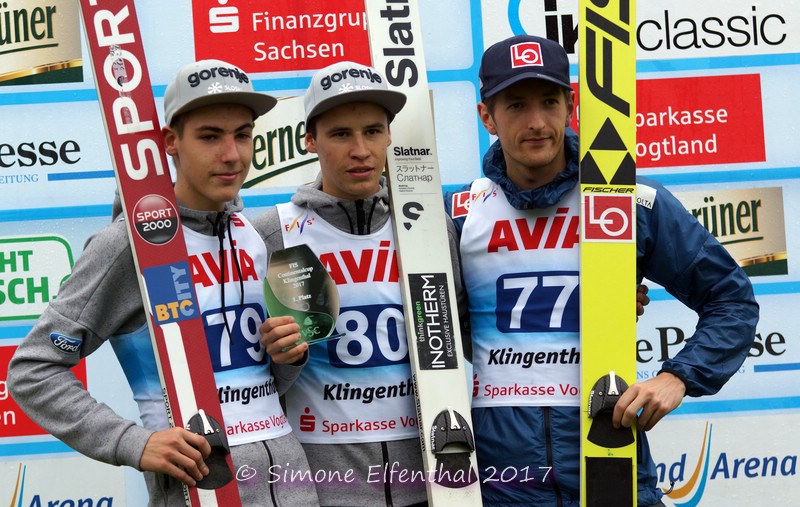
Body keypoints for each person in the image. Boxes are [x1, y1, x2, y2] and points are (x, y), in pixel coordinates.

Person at [444, 35, 759, 507]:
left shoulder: (627, 200)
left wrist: (678, 377)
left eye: (549, 102)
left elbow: (731, 300)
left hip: (609, 459)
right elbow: (443, 329)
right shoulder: (462, 215)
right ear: (486, 115)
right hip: (502, 478)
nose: (536, 122)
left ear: (571, 106)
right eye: (515, 105)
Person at [8, 59, 319, 506]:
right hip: (200, 488)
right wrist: (134, 442)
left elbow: (264, 382)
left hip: (291, 483)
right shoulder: (129, 246)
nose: (232, 154)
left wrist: (289, 356)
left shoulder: (256, 235)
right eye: (210, 136)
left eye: (243, 135)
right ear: (171, 142)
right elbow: (32, 371)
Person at [255, 60, 466, 507]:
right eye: (340, 134)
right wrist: (282, 357)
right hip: (324, 485)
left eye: (373, 131)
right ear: (308, 140)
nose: (360, 150)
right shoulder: (272, 232)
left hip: (431, 479)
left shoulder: (431, 226)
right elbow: (248, 378)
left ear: (391, 136)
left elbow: (466, 331)